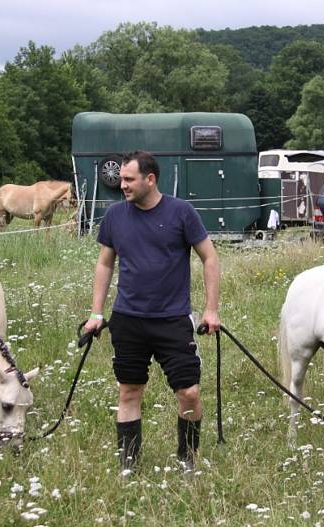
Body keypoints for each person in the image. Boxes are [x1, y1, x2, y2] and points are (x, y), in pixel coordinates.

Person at [83, 150, 221, 474]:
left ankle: (187, 460)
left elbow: (210, 258)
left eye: (129, 179)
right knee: (129, 391)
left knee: (188, 392)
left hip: (173, 320)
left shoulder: (182, 213)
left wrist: (211, 310)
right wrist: (96, 313)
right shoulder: (115, 216)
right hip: (128, 319)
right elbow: (105, 263)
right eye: (122, 180)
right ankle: (128, 465)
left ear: (150, 179)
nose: (122, 185)